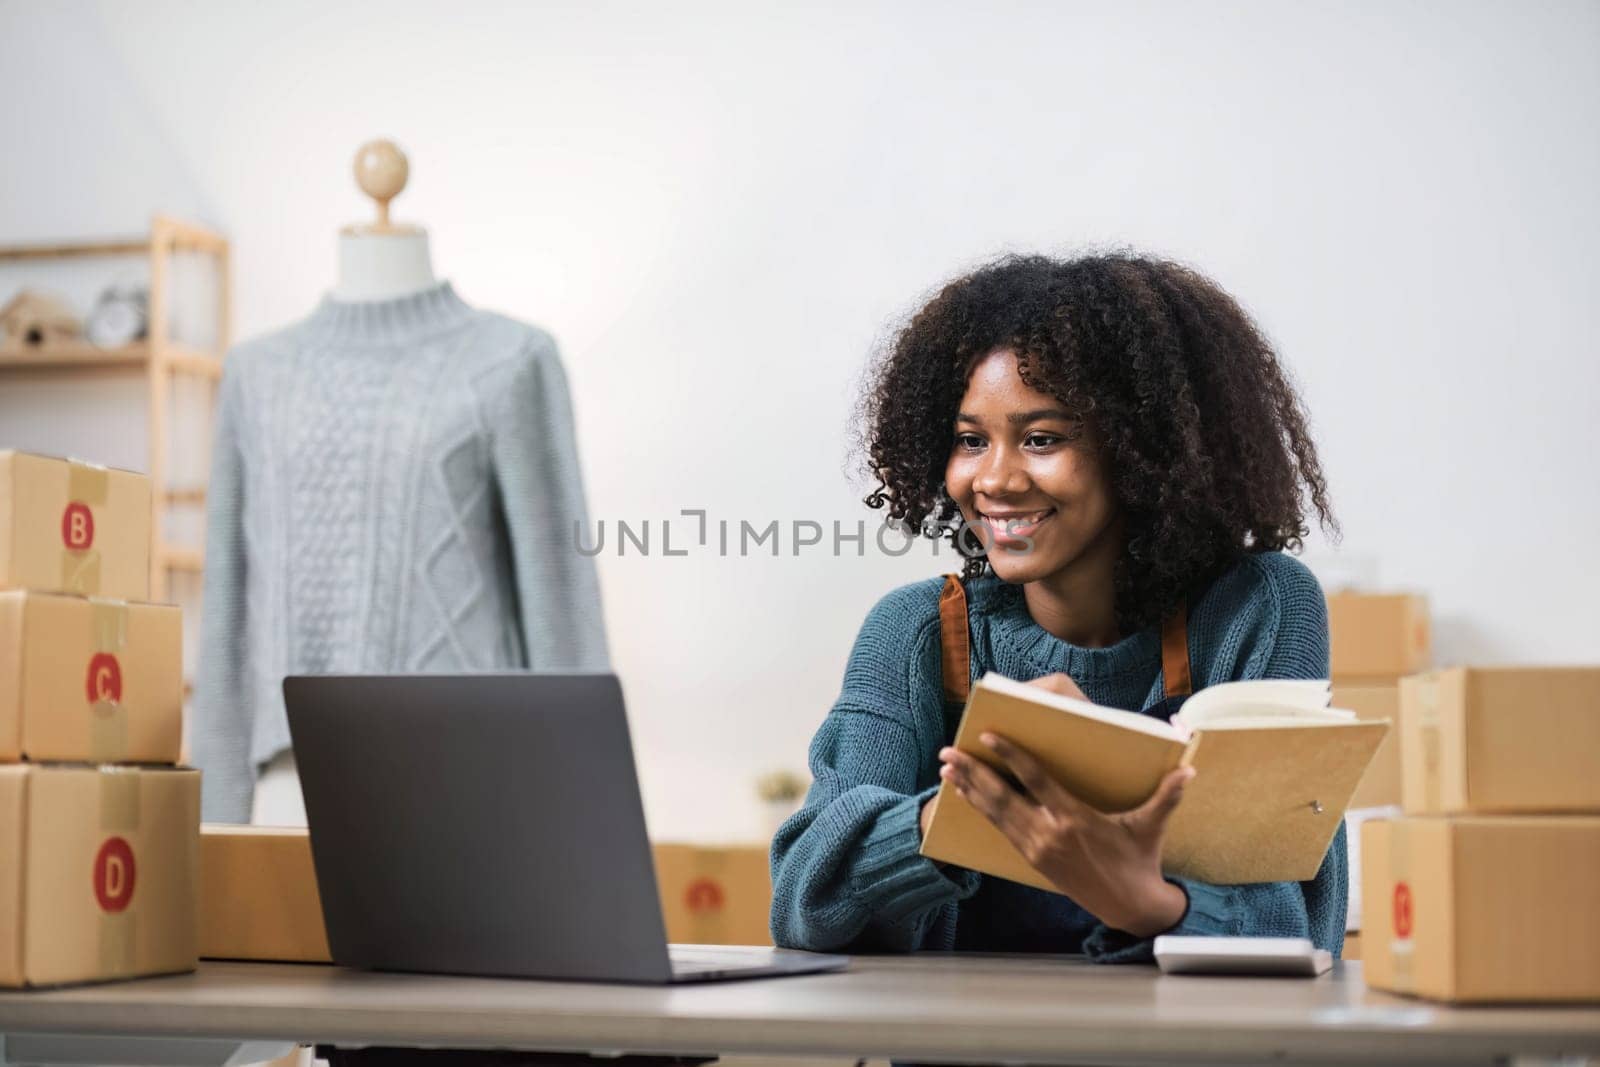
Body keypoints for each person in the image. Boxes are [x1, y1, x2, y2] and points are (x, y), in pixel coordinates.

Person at [769, 253, 1345, 962]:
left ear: (1142, 451)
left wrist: (1143, 899)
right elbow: (803, 905)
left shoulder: (1256, 609)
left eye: (1042, 439)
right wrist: (971, 801)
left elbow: (1300, 925)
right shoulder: (920, 632)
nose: (996, 479)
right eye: (970, 440)